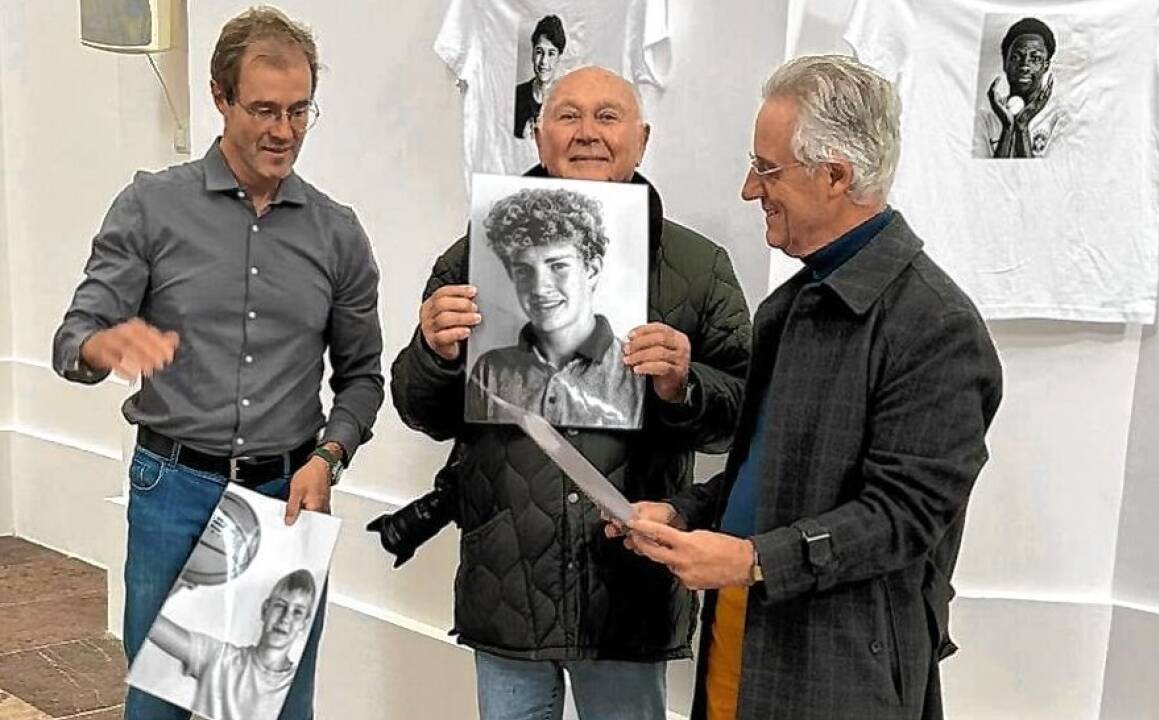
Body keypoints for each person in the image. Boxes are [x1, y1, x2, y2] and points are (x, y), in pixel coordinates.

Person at [617, 55, 1003, 720]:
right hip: (740, 639)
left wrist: (751, 560)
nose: (750, 189)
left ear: (836, 176)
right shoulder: (789, 306)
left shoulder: (936, 325)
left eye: (767, 169)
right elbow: (766, 477)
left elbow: (901, 518)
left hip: (841, 672)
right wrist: (684, 513)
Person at [385, 66, 752, 720]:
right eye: (568, 115)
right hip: (507, 590)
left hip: (630, 589)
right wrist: (434, 354)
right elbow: (420, 411)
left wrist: (684, 385)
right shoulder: (473, 259)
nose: (587, 133)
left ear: (641, 139)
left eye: (608, 117)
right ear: (538, 134)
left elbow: (740, 421)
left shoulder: (699, 267)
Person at [51, 7, 383, 719]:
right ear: (220, 97)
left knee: (278, 710)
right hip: (173, 490)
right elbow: (73, 337)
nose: (283, 130)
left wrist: (328, 458)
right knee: (158, 707)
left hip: (285, 499)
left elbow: (363, 378)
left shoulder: (338, 234)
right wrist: (100, 346)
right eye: (263, 109)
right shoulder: (150, 207)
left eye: (299, 110)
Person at [466, 186, 643, 428]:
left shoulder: (635, 373)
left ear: (592, 270)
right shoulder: (491, 371)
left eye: (558, 266)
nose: (539, 288)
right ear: (510, 275)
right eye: (524, 270)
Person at [147, 570, 318, 720]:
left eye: (297, 612)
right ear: (265, 609)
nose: (286, 618)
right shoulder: (219, 658)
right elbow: (152, 625)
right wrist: (178, 583)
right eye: (280, 606)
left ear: (305, 623)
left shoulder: (296, 687)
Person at [978, 17, 1067, 158]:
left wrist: (1022, 126)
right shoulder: (985, 118)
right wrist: (1007, 129)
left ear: (1046, 66)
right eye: (1016, 57)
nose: (1025, 66)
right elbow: (983, 170)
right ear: (1005, 63)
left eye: (1035, 59)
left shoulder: (1059, 118)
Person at [514, 15, 566, 139]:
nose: (544, 61)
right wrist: (523, 140)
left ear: (559, 58)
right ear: (532, 54)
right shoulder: (517, 95)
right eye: (539, 51)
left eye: (551, 54)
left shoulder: (569, 102)